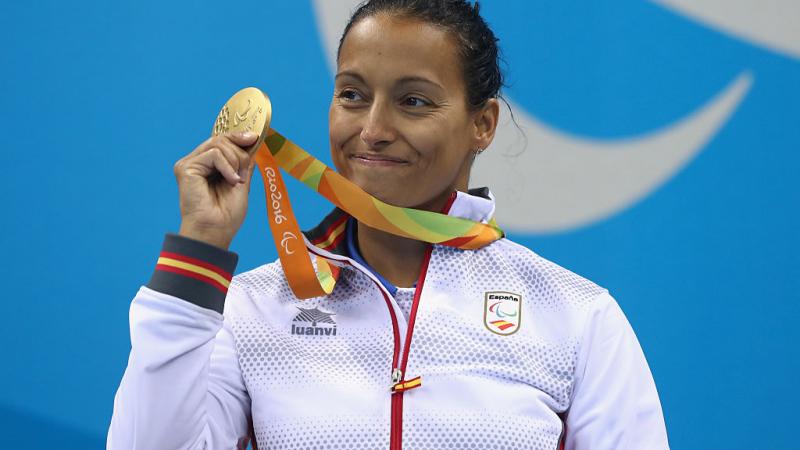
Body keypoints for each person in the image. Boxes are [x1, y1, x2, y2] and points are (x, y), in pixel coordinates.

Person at [107, 1, 670, 449]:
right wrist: (198, 254)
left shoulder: (575, 317)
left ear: (483, 123)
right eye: (352, 95)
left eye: (414, 101)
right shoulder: (254, 308)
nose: (372, 129)